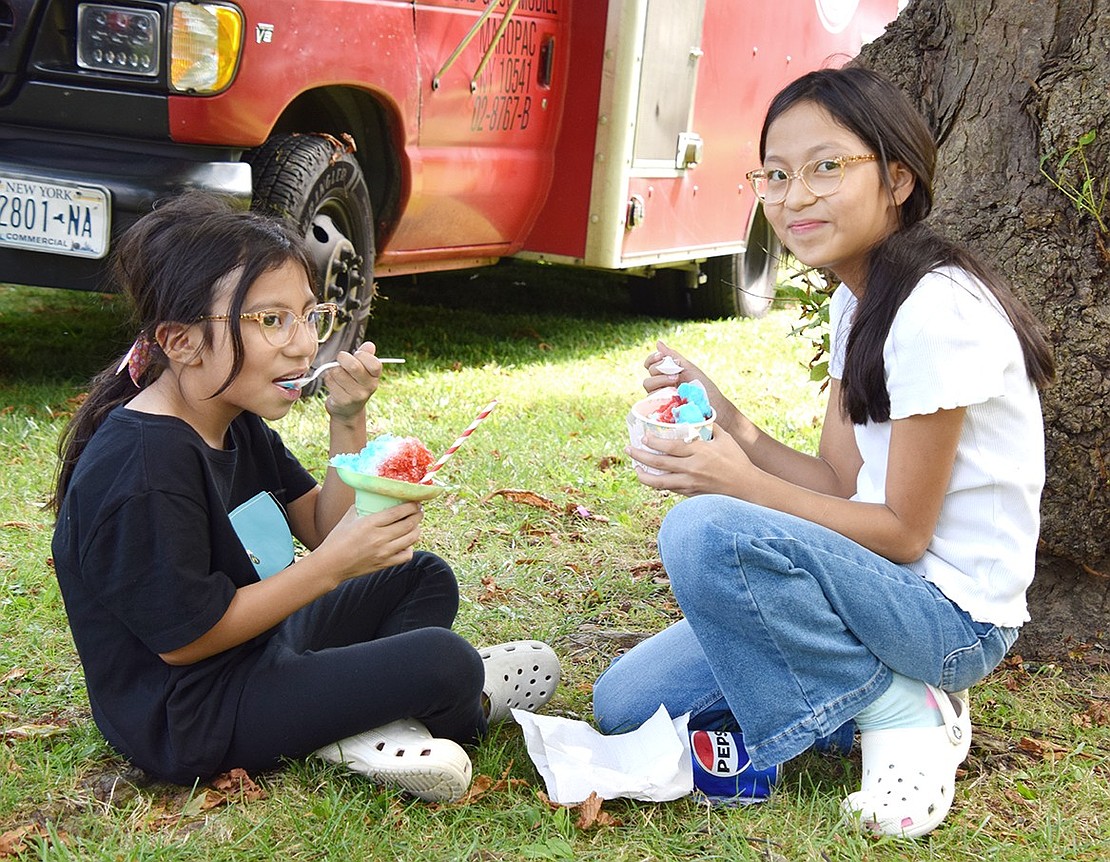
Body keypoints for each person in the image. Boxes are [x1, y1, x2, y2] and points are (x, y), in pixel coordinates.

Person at [593, 66, 1054, 837]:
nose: (794, 195)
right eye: (775, 174)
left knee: (703, 528)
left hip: (950, 618)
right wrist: (732, 424)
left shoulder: (937, 310)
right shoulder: (858, 301)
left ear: (898, 178)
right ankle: (875, 688)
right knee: (626, 705)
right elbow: (839, 481)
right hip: (878, 589)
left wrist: (735, 486)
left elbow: (905, 531)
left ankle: (909, 707)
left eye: (826, 167)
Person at [49, 192, 560, 802]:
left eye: (308, 315)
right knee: (445, 661)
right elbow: (188, 640)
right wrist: (332, 567)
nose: (302, 344)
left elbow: (323, 524)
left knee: (422, 577)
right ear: (181, 341)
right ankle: (428, 703)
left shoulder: (233, 421)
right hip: (192, 713)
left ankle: (360, 723)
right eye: (271, 320)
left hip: (259, 652)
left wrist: (348, 415)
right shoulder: (143, 468)